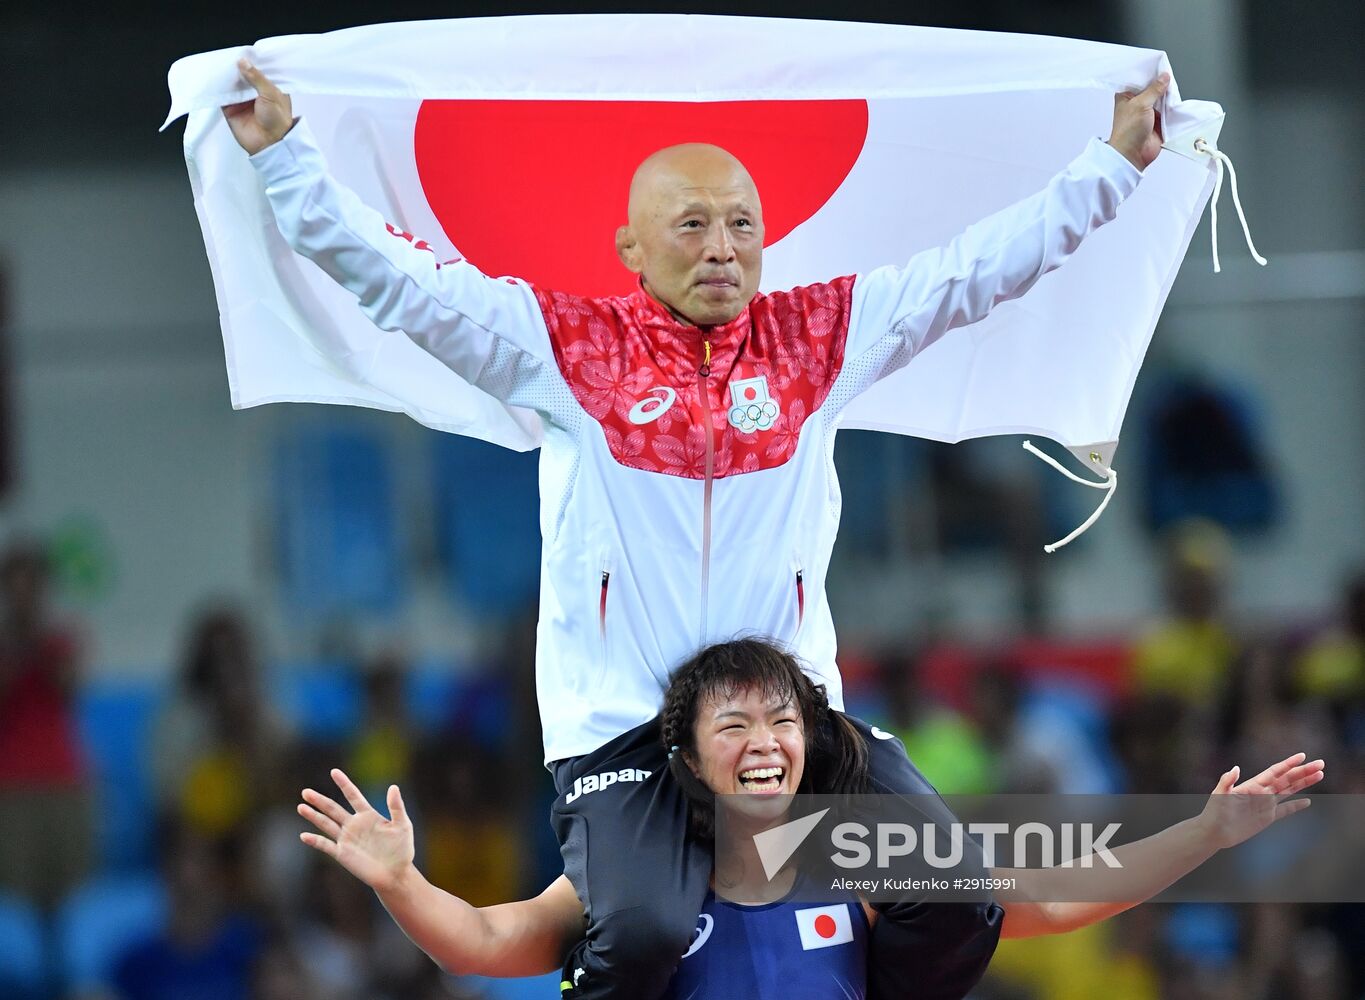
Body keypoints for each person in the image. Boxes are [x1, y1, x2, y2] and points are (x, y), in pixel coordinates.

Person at [225, 59, 1169, 998]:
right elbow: (399, 284)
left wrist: (1115, 165)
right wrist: (284, 160)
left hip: (788, 724)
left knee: (958, 900)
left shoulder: (824, 339)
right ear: (629, 247)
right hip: (624, 730)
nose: (722, 246)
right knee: (641, 934)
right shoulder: (562, 349)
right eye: (691, 225)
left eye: (741, 225)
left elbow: (978, 269)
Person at [295, 638, 1324, 998]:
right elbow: (485, 942)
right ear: (689, 755)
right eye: (732, 721)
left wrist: (1206, 830)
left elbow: (1046, 901)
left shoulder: (858, 863)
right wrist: (401, 882)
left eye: (781, 719)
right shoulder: (646, 881)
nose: (762, 740)